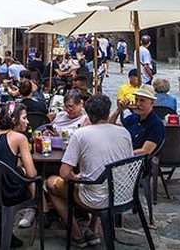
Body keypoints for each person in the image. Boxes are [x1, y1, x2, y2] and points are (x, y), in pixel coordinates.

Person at [46, 94, 133, 247]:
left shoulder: (81, 134)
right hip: (122, 193)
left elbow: (64, 173)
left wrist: (76, 177)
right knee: (97, 179)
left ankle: (76, 234)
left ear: (86, 112)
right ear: (108, 111)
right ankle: (93, 230)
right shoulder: (124, 132)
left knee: (51, 183)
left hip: (94, 198)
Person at [0, 102, 37, 248]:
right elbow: (32, 173)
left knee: (7, 176)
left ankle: (2, 234)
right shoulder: (19, 138)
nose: (27, 121)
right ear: (14, 120)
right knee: (29, 177)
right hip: (7, 194)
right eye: (24, 118)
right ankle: (41, 210)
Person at [110, 84, 165, 155]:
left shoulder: (156, 124)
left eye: (142, 100)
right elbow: (110, 126)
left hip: (139, 162)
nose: (138, 104)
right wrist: (119, 110)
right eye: (136, 99)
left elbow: (146, 151)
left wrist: (123, 155)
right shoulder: (133, 118)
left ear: (152, 103)